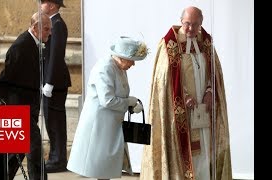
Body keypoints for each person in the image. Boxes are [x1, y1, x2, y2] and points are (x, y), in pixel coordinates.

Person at [140, 6, 233, 180]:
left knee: (204, 151)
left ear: (201, 23)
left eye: (195, 24)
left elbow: (214, 73)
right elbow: (164, 80)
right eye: (187, 24)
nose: (190, 28)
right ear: (181, 21)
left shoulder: (206, 42)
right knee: (186, 151)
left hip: (203, 111)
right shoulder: (169, 45)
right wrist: (183, 96)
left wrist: (210, 90)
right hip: (180, 111)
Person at [67, 36, 148, 180]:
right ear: (122, 57)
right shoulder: (105, 68)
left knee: (105, 169)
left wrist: (131, 105)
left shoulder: (119, 68)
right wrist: (129, 101)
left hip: (110, 125)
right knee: (100, 168)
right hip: (99, 126)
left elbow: (119, 95)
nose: (133, 64)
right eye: (132, 60)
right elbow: (107, 100)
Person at [0, 12, 51, 180]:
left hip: (28, 108)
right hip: (20, 109)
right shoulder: (20, 46)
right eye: (46, 29)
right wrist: (7, 109)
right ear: (35, 28)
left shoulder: (33, 43)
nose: (50, 32)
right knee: (35, 151)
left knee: (14, 156)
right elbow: (3, 80)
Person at [40, 0, 72, 173]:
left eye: (43, 2)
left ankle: (58, 159)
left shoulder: (57, 24)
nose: (40, 5)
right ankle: (55, 156)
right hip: (51, 80)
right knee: (51, 121)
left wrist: (50, 82)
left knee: (55, 122)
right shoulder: (52, 22)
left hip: (56, 82)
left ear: (52, 5)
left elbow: (56, 56)